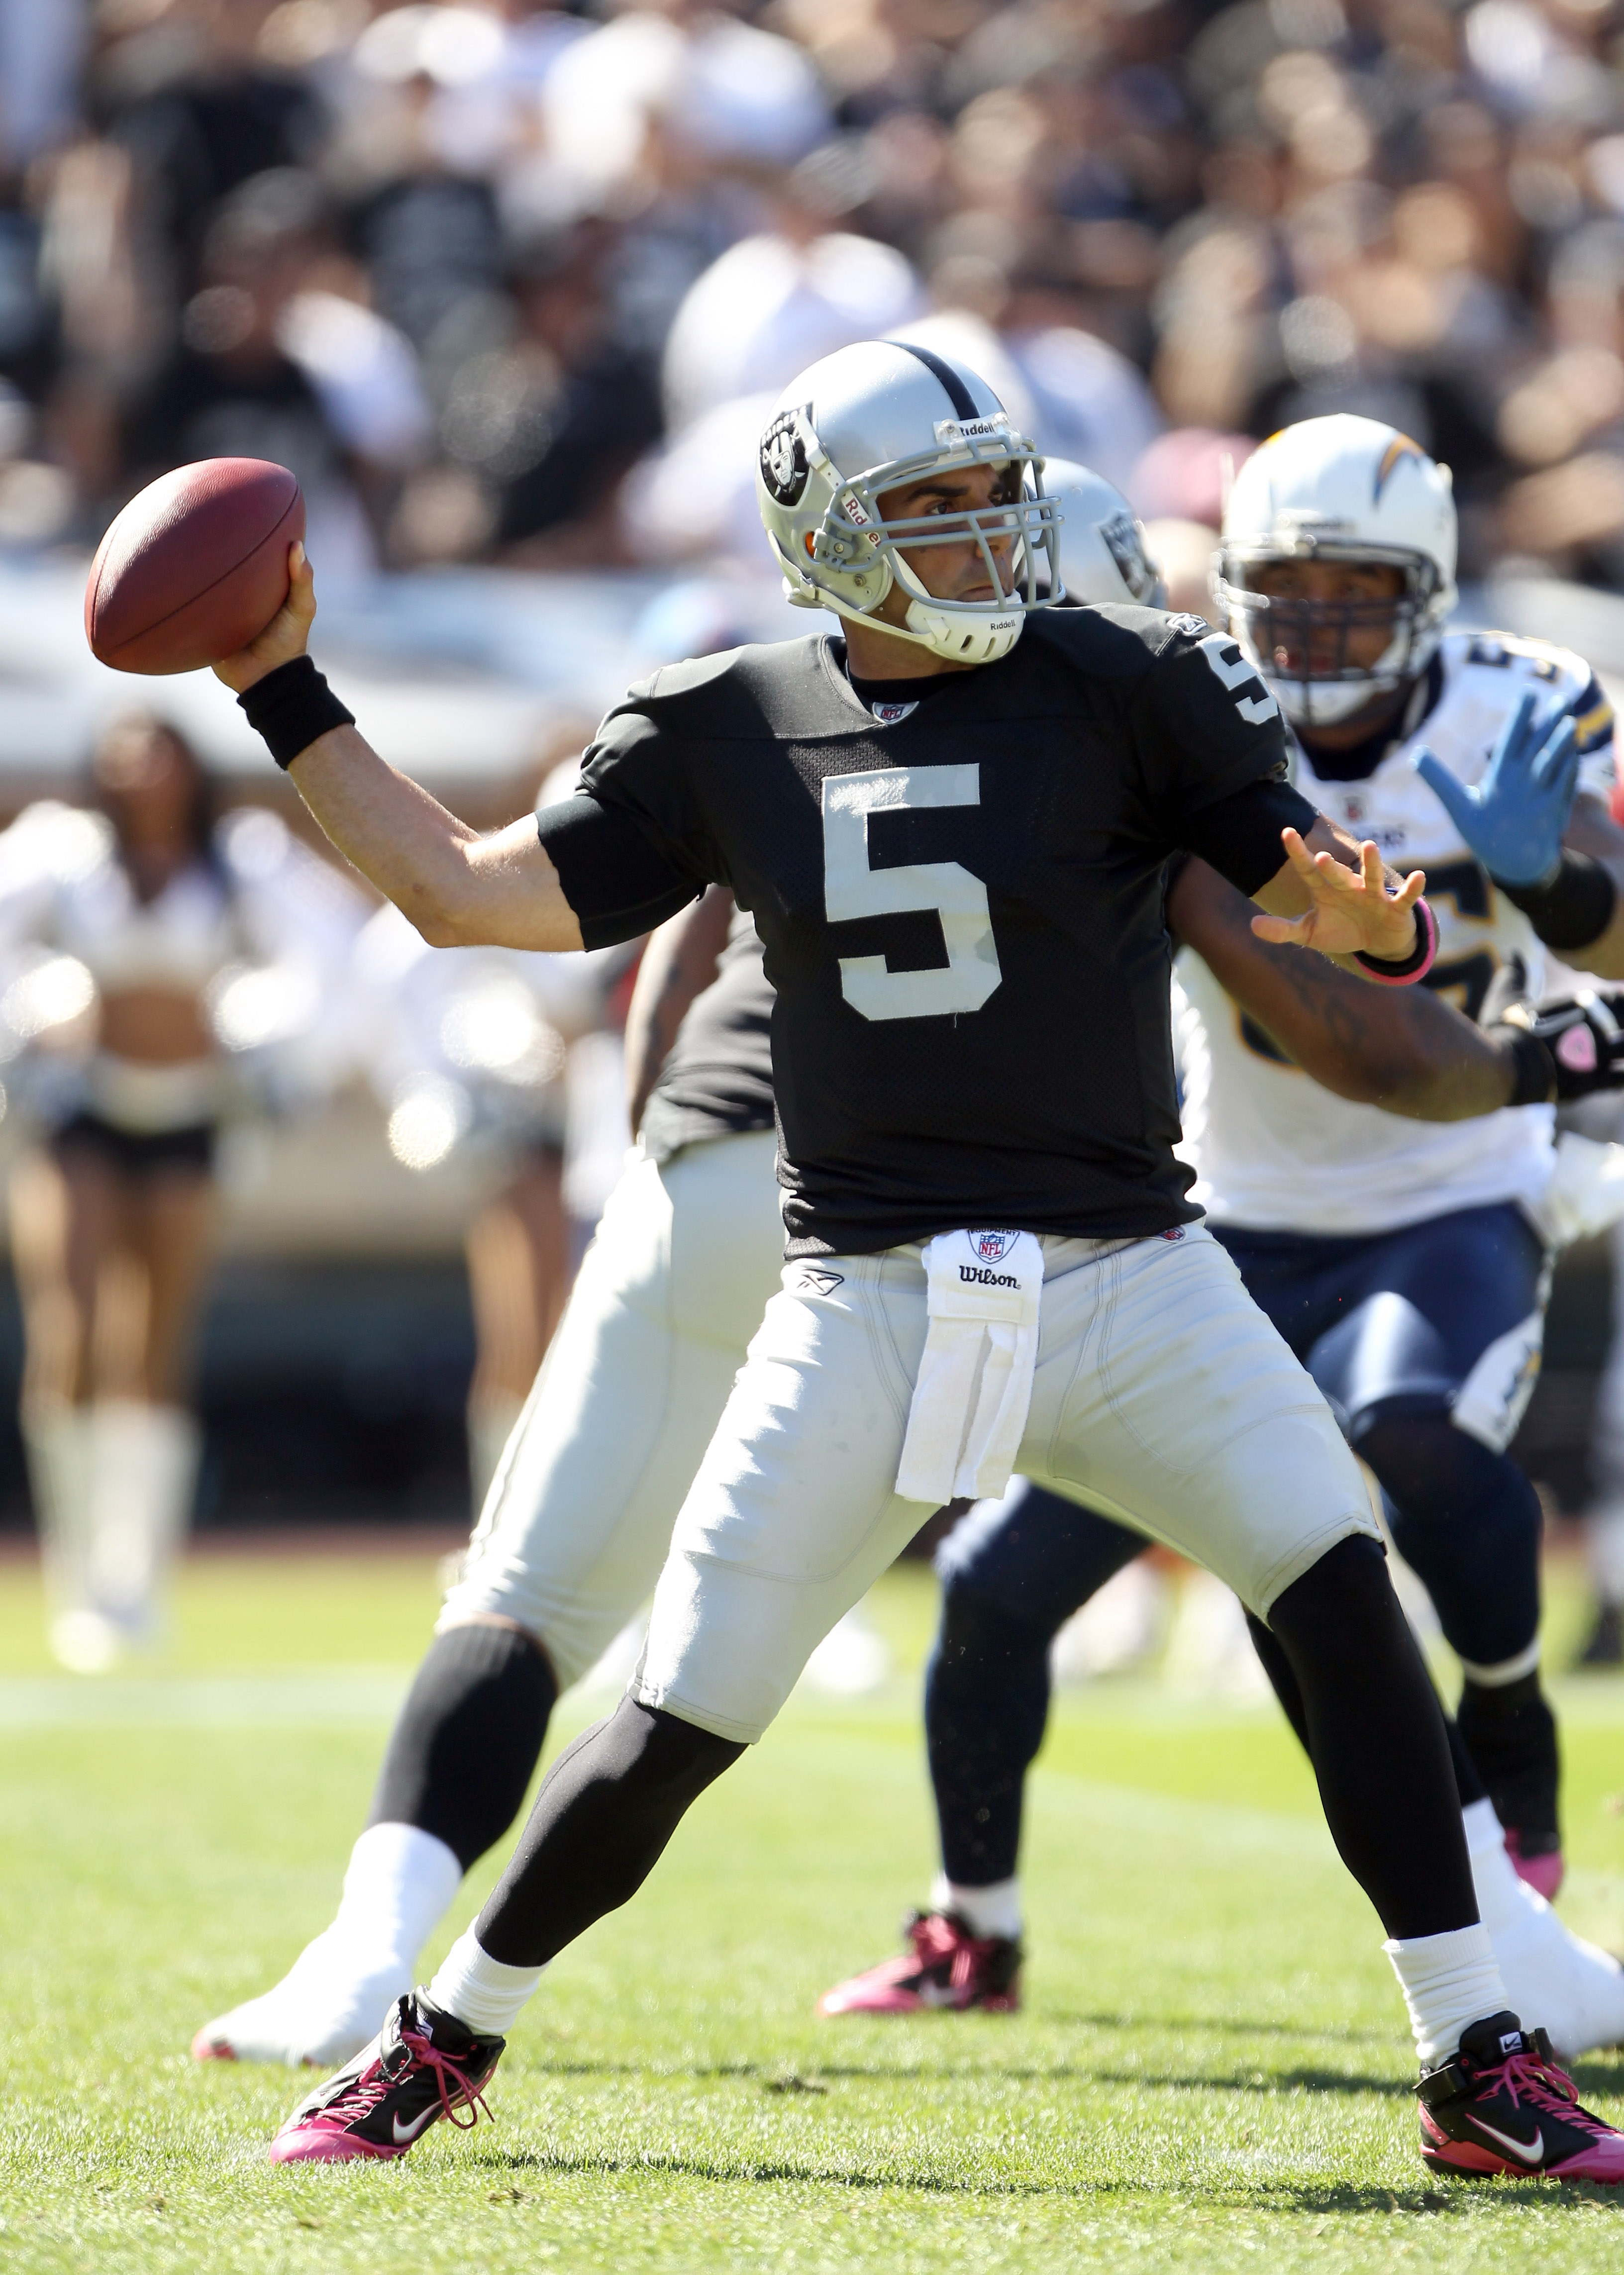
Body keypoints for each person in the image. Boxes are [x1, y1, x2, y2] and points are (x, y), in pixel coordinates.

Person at [210, 341, 1624, 2181]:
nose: (982, 541)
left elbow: (1295, 889)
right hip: (866, 1294)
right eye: (933, 513)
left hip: (1133, 1268)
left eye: (988, 498)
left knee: (1336, 1584)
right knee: (671, 1720)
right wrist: (276, 680)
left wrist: (1355, 913)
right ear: (826, 534)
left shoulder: (1124, 678)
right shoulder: (719, 715)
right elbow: (470, 893)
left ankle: (1475, 2056)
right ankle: (435, 2037)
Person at [820, 413, 1624, 2029]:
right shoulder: (1186, 703)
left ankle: (1510, 1736)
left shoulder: (1527, 701)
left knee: (1401, 1427)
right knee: (988, 1584)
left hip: (1442, 1201)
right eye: (1287, 592)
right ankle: (971, 1923)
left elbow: (1614, 940)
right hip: (1219, 1224)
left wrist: (1564, 892)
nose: (1316, 625)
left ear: (1428, 589)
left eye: (1353, 592)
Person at [2, 712, 366, 1671]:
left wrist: (255, 1026)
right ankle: (76, 1576)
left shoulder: (239, 859)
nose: (139, 769)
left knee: (155, 1343)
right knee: (70, 1326)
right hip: (78, 1114)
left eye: (157, 749)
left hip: (191, 1120)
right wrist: (42, 1004)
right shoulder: (60, 851)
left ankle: (136, 1579)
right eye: (120, 751)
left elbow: (338, 953)